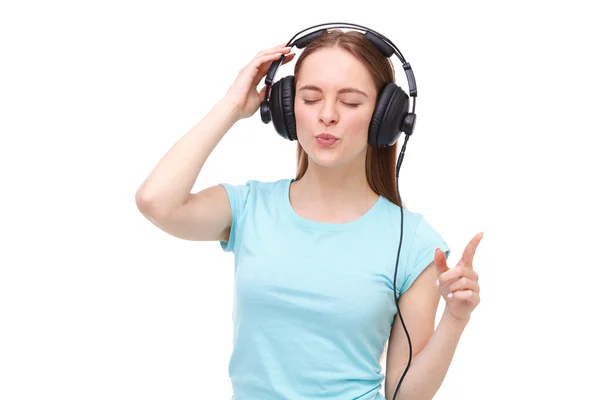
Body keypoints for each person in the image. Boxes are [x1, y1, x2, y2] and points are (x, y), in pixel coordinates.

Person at [136, 27, 483, 400]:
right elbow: (157, 201)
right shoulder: (250, 208)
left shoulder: (413, 242)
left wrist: (455, 319)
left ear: (385, 117)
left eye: (350, 102)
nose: (328, 116)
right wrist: (232, 107)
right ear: (284, 108)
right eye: (310, 98)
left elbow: (404, 395)